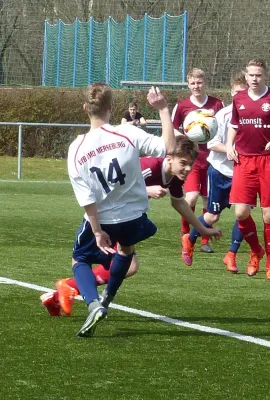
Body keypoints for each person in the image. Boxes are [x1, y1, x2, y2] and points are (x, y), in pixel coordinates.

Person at [41, 135, 222, 317]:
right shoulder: (148, 167)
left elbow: (179, 202)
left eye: (191, 164)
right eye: (183, 163)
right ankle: (77, 291)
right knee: (86, 259)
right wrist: (146, 190)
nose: (188, 168)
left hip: (127, 217)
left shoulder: (175, 175)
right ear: (168, 157)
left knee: (130, 266)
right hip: (107, 216)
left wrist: (202, 228)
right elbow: (114, 187)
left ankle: (63, 293)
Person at [67, 83, 177, 337]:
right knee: (126, 250)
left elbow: (86, 198)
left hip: (104, 218)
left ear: (85, 109)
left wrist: (96, 231)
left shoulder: (77, 148)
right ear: (111, 108)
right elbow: (168, 148)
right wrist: (162, 109)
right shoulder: (127, 133)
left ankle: (93, 304)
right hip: (134, 217)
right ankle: (107, 299)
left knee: (80, 259)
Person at [226, 59, 270, 281]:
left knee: (269, 214)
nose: (255, 79)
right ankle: (256, 250)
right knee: (240, 212)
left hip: (269, 160)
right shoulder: (239, 99)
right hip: (244, 161)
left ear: (265, 76)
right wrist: (229, 146)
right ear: (245, 76)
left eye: (259, 75)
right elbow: (233, 126)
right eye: (251, 75)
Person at [181, 72, 248, 270]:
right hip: (220, 171)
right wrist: (229, 149)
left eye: (243, 93)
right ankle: (190, 240)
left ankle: (231, 255)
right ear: (231, 92)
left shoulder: (253, 116)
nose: (239, 97)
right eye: (236, 93)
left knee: (242, 214)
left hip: (245, 173)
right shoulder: (222, 115)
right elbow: (211, 143)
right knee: (212, 216)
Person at [172, 68, 224, 253]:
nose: (196, 86)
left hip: (212, 160)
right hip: (191, 161)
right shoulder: (182, 105)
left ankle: (204, 240)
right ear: (188, 84)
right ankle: (185, 232)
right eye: (193, 83)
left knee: (207, 201)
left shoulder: (217, 104)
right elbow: (172, 129)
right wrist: (187, 139)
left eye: (199, 82)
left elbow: (223, 127)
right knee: (191, 196)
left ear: (205, 83)